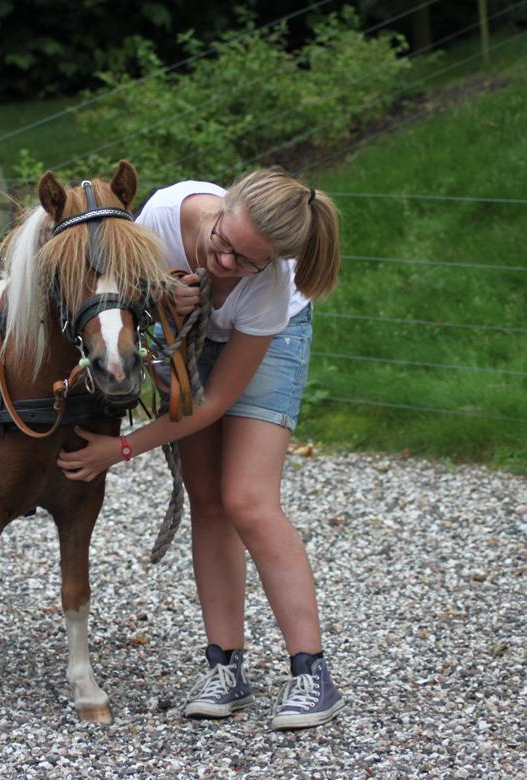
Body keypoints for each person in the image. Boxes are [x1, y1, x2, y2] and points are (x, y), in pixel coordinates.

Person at [56, 166, 345, 729]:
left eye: (246, 261)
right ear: (221, 209)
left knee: (247, 500)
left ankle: (312, 674)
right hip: (189, 335)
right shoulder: (160, 217)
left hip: (265, 343)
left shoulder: (272, 287)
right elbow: (118, 304)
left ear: (273, 263)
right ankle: (225, 666)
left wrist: (119, 450)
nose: (225, 264)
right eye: (223, 245)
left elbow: (209, 405)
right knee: (207, 501)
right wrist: (163, 297)